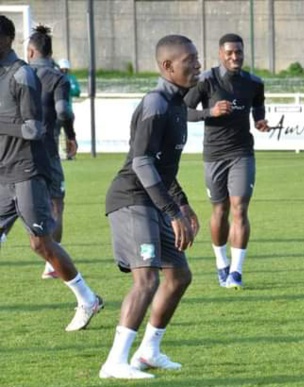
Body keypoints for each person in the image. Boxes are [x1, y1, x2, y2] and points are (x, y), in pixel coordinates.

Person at [99, 34, 201, 380]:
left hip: (152, 199)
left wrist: (183, 204)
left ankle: (149, 351)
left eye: (197, 58)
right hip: (130, 199)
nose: (198, 65)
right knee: (146, 280)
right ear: (167, 66)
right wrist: (172, 212)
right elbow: (142, 164)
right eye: (190, 60)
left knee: (180, 276)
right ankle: (115, 362)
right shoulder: (156, 104)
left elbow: (163, 167)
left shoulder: (176, 105)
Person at [0, 15, 102, 331]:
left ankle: (87, 299)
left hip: (28, 171)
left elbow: (33, 128)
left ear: (6, 39)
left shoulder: (23, 76)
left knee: (41, 244)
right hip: (4, 172)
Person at [184, 33, 268, 290]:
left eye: (239, 52)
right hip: (214, 155)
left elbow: (258, 106)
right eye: (230, 52)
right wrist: (210, 112)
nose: (235, 57)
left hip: (242, 153)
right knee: (219, 211)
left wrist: (260, 121)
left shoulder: (254, 83)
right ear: (220, 54)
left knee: (239, 208)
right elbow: (184, 110)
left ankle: (236, 272)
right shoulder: (206, 81)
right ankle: (221, 263)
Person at [25, 25, 76, 280]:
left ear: (30, 51)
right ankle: (51, 264)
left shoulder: (16, 74)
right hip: (47, 152)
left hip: (15, 153)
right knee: (56, 204)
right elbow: (64, 112)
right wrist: (71, 135)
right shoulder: (58, 78)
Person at [56, 58, 79, 160]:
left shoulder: (70, 79)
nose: (64, 71)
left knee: (68, 133)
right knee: (58, 134)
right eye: (63, 69)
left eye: (66, 69)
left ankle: (69, 154)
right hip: (60, 110)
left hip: (67, 110)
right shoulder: (58, 78)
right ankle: (58, 154)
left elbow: (77, 91)